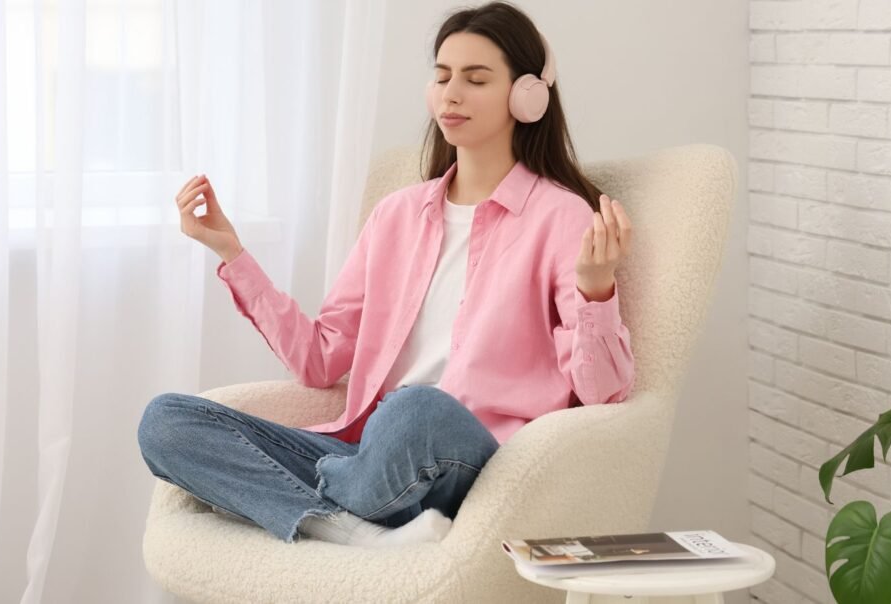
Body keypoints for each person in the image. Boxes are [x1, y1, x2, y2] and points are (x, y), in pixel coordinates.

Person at [137, 0, 635, 549]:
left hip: (466, 458)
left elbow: (604, 395)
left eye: (475, 79)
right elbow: (319, 359)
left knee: (415, 407)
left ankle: (313, 509)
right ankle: (357, 530)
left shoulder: (563, 217)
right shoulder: (396, 215)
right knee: (166, 422)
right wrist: (233, 254)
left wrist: (596, 290)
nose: (451, 94)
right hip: (369, 455)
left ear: (527, 95)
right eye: (442, 76)